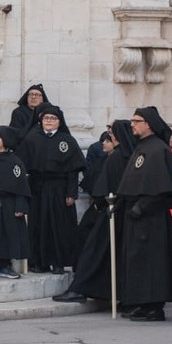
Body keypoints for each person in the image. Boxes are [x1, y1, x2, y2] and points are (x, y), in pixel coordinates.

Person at [116, 106, 172, 321]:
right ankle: (142, 302)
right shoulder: (142, 147)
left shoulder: (157, 149)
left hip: (151, 217)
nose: (132, 125)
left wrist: (143, 205)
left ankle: (155, 306)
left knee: (152, 262)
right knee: (138, 260)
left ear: (148, 124)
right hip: (136, 215)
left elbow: (160, 185)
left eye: (136, 121)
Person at [59, 120, 136, 303]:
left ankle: (80, 289)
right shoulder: (128, 156)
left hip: (109, 212)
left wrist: (100, 203)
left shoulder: (116, 158)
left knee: (93, 252)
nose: (107, 140)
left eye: (111, 136)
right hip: (119, 212)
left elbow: (106, 188)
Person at [22, 103, 85, 274]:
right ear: (41, 120)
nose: (49, 121)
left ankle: (59, 262)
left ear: (59, 121)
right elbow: (23, 165)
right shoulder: (31, 139)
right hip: (37, 188)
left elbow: (73, 169)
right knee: (38, 225)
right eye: (46, 118)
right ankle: (39, 262)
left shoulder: (67, 141)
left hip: (59, 188)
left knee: (59, 226)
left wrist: (71, 192)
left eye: (53, 118)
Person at [0, 126, 30, 280]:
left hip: (9, 204)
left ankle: (5, 265)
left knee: (9, 233)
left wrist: (20, 206)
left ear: (6, 140)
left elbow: (21, 186)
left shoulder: (15, 162)